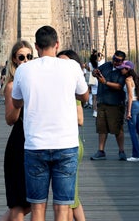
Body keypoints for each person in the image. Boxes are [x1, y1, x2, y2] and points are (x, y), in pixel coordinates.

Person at [9, 25, 89, 221]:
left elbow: (16, 102)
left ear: (36, 47)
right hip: (66, 145)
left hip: (35, 146)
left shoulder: (24, 70)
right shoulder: (71, 66)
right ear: (57, 44)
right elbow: (84, 96)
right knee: (62, 208)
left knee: (37, 209)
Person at [1, 41, 33, 221]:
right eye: (21, 57)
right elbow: (10, 119)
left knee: (29, 202)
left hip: (34, 142)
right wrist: (19, 97)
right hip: (19, 143)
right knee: (19, 203)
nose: (26, 60)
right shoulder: (12, 86)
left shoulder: (36, 82)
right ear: (14, 59)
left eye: (29, 57)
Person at [57, 49, 89, 221]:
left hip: (71, 146)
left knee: (68, 199)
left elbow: (80, 119)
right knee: (71, 198)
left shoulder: (71, 92)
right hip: (63, 146)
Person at [89, 49, 128, 160]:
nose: (115, 62)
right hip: (102, 102)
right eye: (114, 59)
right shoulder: (106, 65)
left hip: (115, 103)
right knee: (102, 128)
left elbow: (119, 86)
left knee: (118, 129)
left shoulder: (123, 70)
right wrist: (94, 73)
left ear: (122, 61)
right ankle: (101, 151)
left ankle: (121, 151)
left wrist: (105, 82)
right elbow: (95, 73)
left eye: (118, 60)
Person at [119, 60, 139, 162]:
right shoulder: (135, 78)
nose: (121, 70)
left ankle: (136, 155)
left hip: (133, 105)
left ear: (127, 69)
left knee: (132, 131)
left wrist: (129, 111)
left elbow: (130, 96)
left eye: (122, 68)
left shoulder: (127, 80)